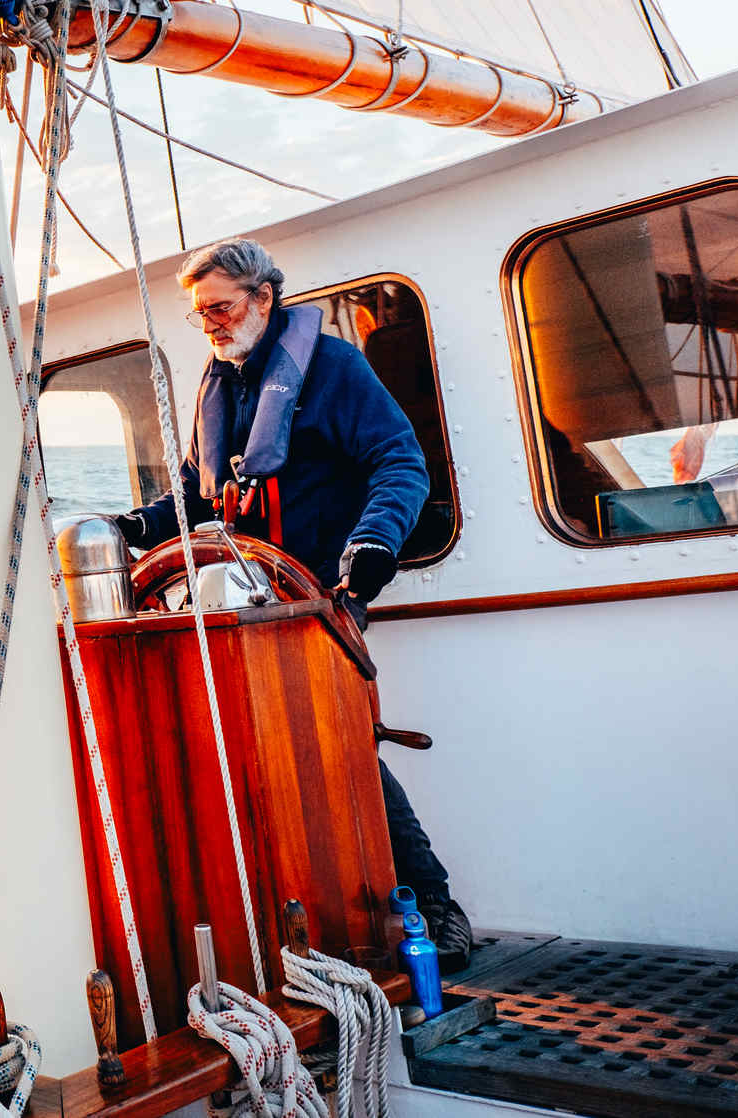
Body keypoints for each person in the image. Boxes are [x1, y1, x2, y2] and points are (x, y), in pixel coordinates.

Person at [111, 237, 478, 970]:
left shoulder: (332, 368)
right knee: (266, 759)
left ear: (263, 298)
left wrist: (371, 547)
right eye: (199, 314)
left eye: (219, 307)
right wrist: (138, 528)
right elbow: (195, 491)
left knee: (341, 752)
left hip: (320, 597)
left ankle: (435, 908)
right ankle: (296, 921)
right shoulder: (219, 381)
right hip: (245, 607)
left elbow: (397, 460)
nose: (210, 324)